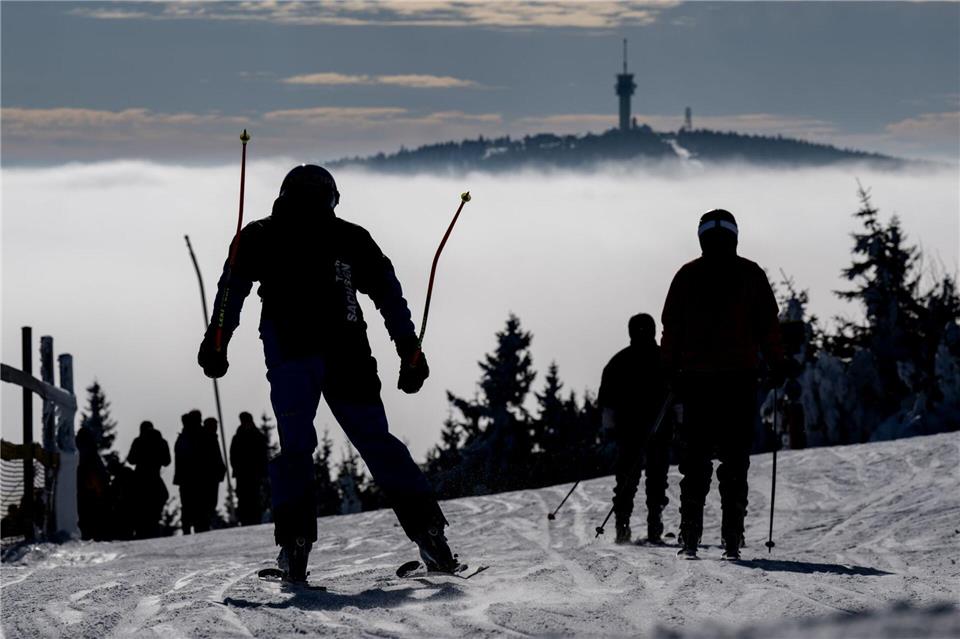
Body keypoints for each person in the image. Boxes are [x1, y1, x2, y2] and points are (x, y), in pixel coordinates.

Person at [197, 164, 454, 582]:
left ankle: (295, 548)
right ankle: (431, 537)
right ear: (331, 197)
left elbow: (232, 289)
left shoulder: (260, 233)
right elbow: (388, 291)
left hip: (289, 352)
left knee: (296, 449)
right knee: (377, 442)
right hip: (348, 350)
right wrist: (408, 348)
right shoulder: (351, 236)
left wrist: (217, 340)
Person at [661, 209, 783, 561]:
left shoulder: (687, 276)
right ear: (734, 236)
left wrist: (668, 370)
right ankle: (732, 538)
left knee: (695, 462)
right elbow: (768, 326)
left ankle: (690, 538)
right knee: (734, 462)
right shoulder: (750, 273)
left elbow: (671, 328)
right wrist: (777, 363)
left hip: (696, 383)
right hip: (739, 381)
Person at [599, 313, 672, 545]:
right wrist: (680, 422)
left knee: (628, 476)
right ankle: (652, 521)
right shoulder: (665, 358)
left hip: (631, 429)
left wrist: (609, 428)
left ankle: (624, 522)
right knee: (655, 475)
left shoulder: (618, 362)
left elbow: (607, 400)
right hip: (656, 428)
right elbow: (678, 394)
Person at [126, 420, 171, 538]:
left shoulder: (138, 441)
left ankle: (142, 531)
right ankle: (154, 526)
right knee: (161, 499)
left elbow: (131, 459)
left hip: (140, 479)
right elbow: (167, 461)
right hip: (155, 478)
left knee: (140, 508)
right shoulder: (161, 441)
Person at [230, 411, 269, 526]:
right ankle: (245, 520)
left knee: (255, 499)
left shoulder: (257, 436)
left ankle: (255, 520)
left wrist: (263, 472)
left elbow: (263, 455)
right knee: (244, 500)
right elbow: (233, 456)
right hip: (243, 475)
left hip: (255, 474)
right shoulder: (238, 437)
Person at [173, 410, 208, 534]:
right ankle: (198, 528)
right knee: (198, 505)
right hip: (196, 477)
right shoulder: (199, 435)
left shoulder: (184, 436)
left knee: (188, 506)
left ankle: (189, 528)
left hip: (186, 478)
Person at [76, 426, 111, 541]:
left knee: (83, 515)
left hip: (79, 489)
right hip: (93, 490)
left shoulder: (75, 451)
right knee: (94, 516)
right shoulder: (93, 452)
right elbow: (101, 472)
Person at [201, 417, 227, 527]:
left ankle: (208, 523)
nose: (216, 428)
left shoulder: (211, 437)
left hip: (213, 476)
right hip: (209, 476)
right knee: (209, 502)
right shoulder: (207, 438)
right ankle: (206, 523)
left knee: (211, 502)